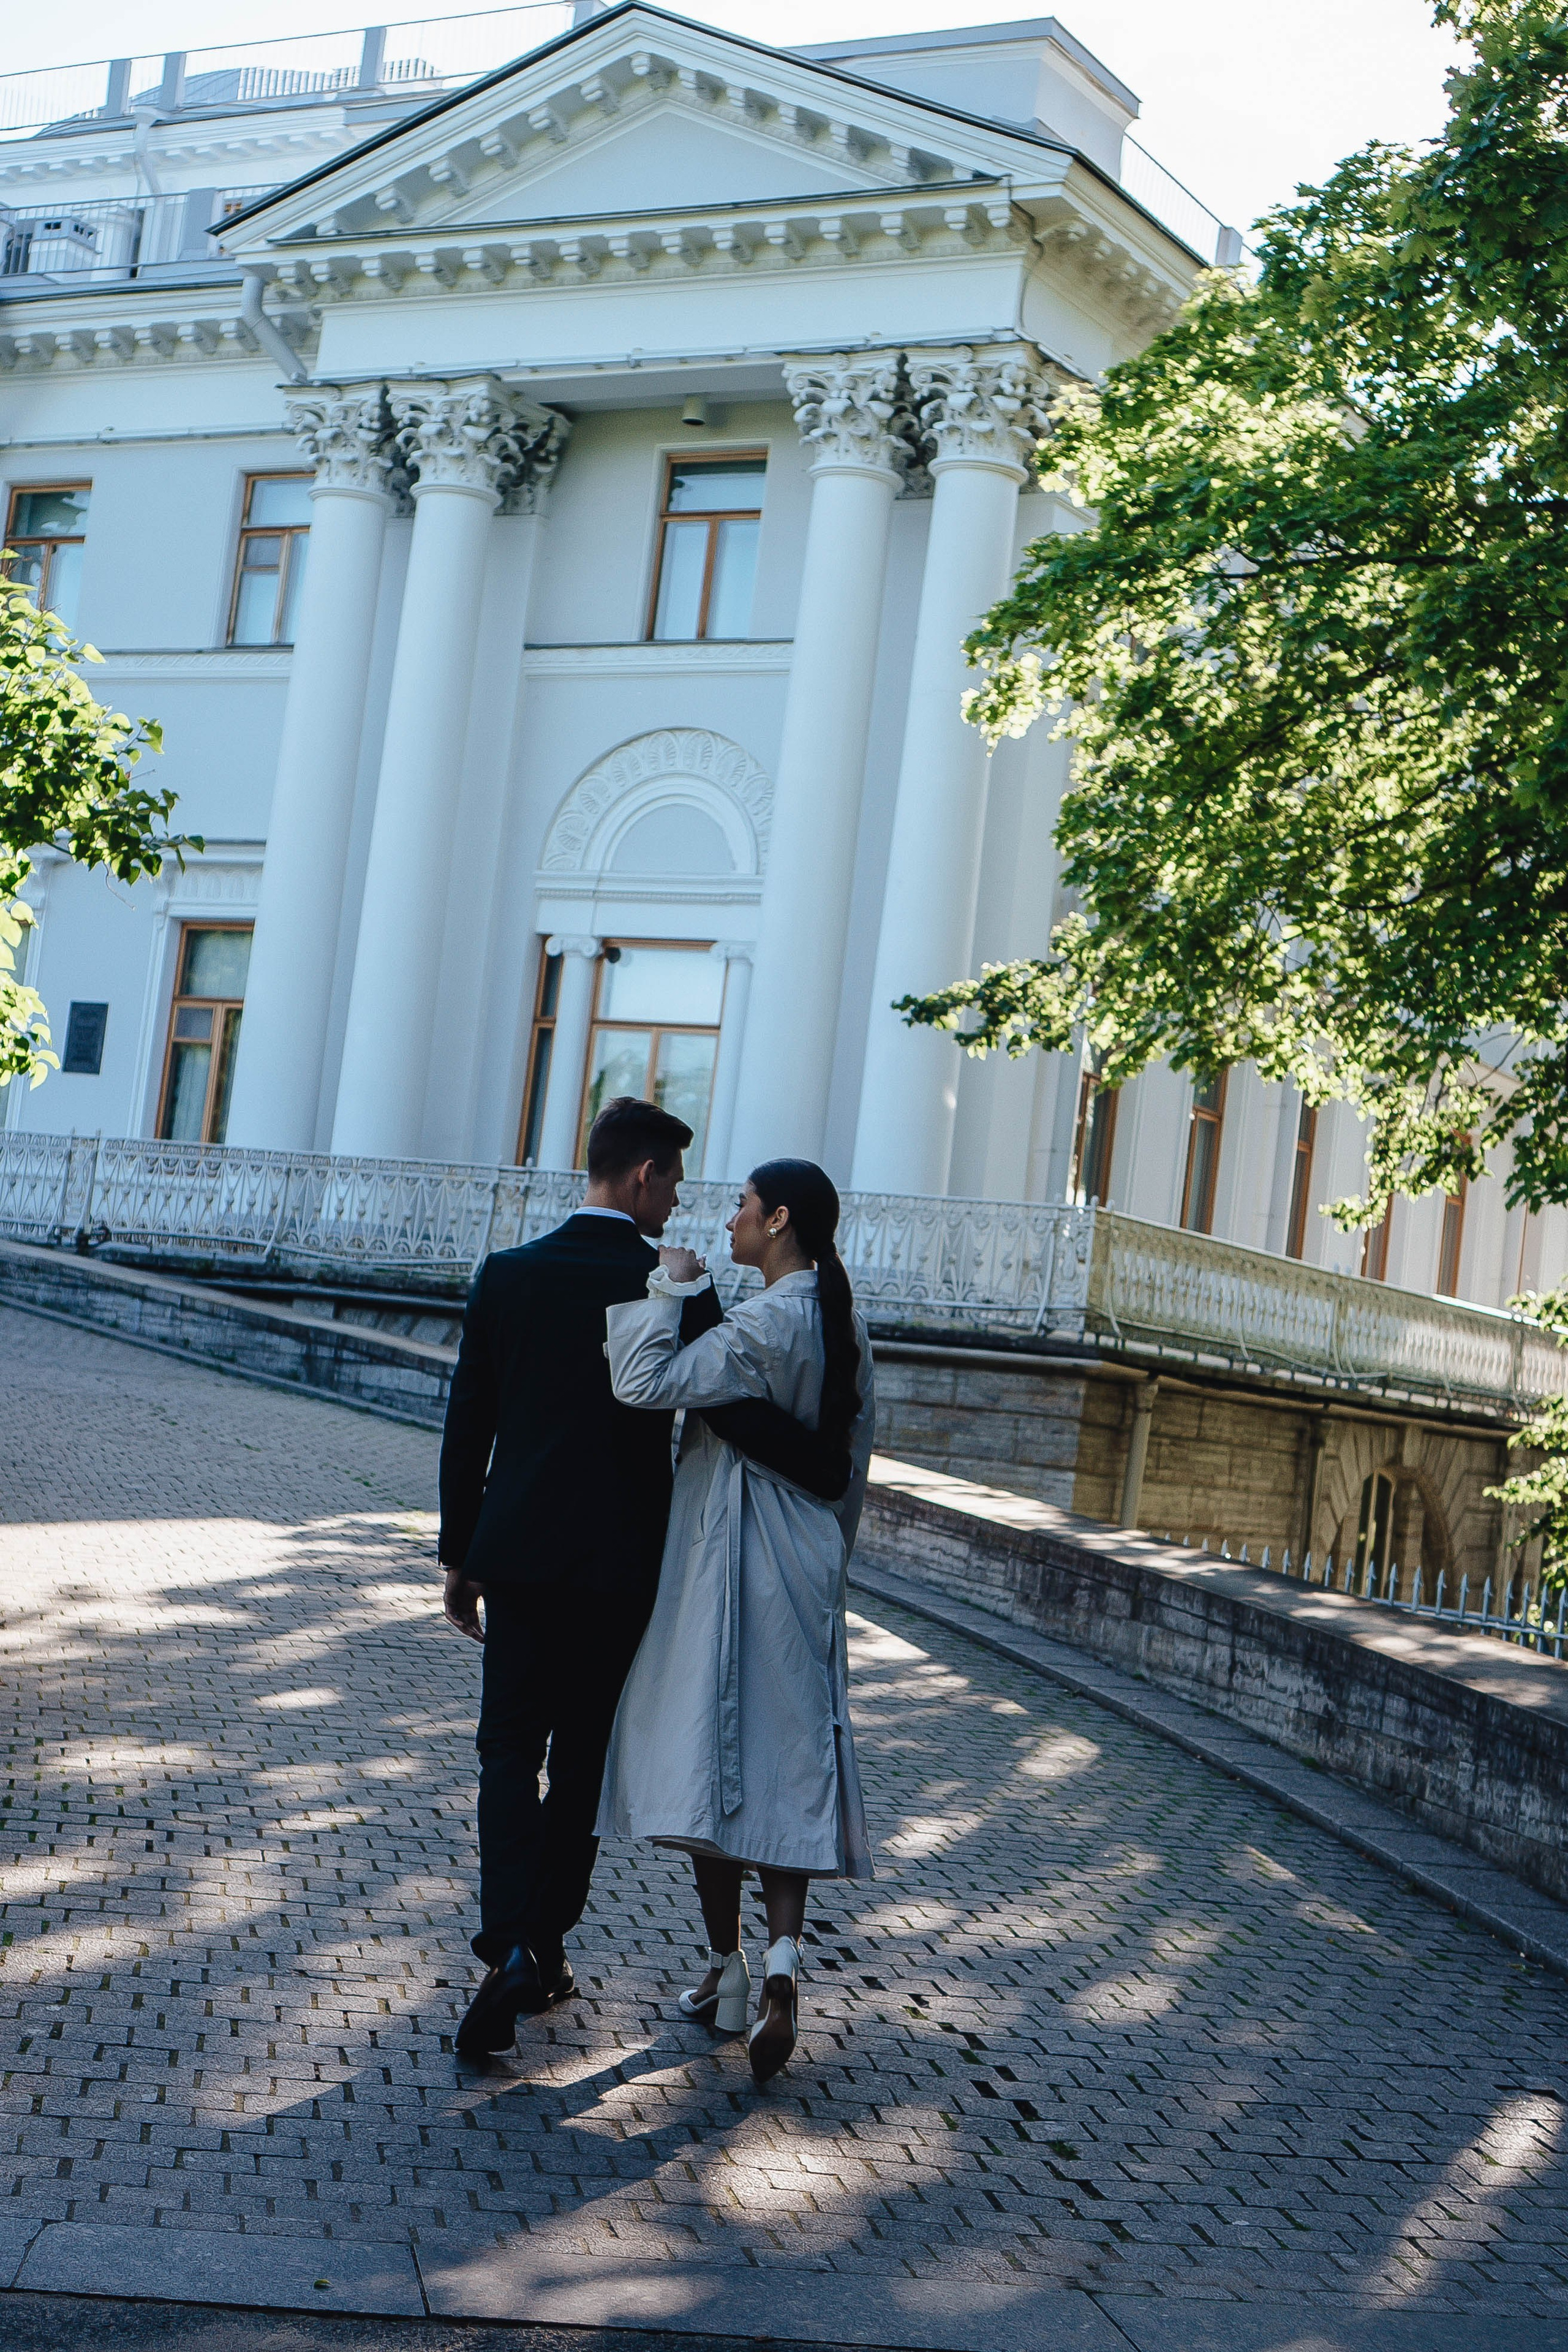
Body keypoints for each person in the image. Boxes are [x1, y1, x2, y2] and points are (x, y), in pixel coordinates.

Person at [439, 1099, 851, 2060]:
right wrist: (826, 1467)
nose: (682, 1203)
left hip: (522, 1559)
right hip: (629, 1569)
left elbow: (469, 1429)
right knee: (582, 1764)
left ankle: (507, 1943)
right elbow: (735, 1416)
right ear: (642, 1178)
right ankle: (541, 1946)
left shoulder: (509, 1274)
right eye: (673, 1181)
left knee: (506, 1753)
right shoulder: (673, 1285)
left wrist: (460, 1557)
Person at [598, 1157, 876, 2087]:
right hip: (804, 1559)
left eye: (743, 1208)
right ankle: (783, 1964)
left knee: (706, 1757)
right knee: (786, 1761)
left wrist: (671, 1286)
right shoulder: (845, 1324)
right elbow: (851, 1466)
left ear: (781, 1219)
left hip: (731, 1553)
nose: (727, 1223)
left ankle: (725, 1967)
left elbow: (643, 1381)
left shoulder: (763, 1320)